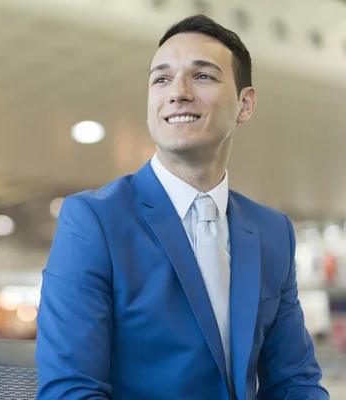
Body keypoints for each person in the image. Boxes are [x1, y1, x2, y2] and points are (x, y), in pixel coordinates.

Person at [35, 14, 328, 400]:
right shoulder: (95, 221)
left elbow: (294, 382)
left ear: (245, 103)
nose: (178, 92)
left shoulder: (272, 232)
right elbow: (70, 390)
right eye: (161, 78)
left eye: (202, 76)